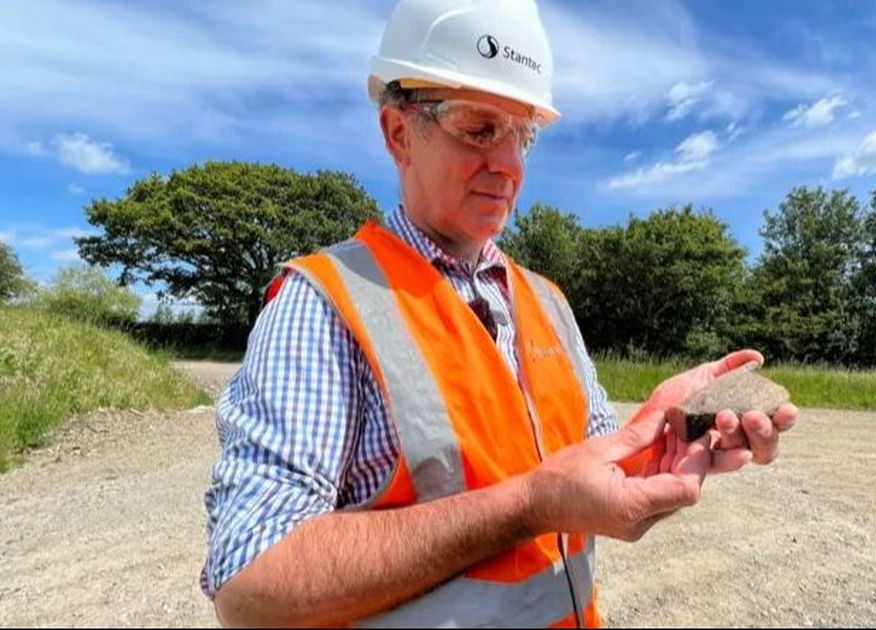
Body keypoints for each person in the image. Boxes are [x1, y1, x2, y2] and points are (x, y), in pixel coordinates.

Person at [202, 0, 798, 626]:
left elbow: (595, 473)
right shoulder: (325, 303)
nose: (510, 166)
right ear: (399, 133)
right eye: (479, 128)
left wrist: (663, 435)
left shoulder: (546, 302)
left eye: (523, 134)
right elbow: (252, 582)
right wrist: (529, 506)